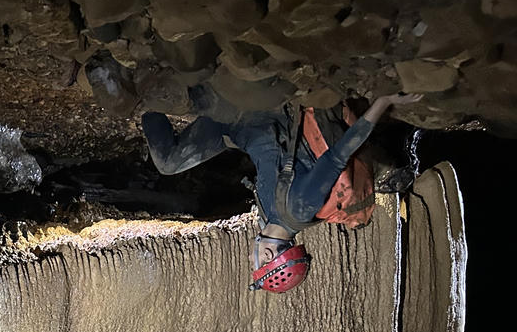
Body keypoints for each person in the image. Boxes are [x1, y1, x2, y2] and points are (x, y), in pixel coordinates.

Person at [141, 92, 424, 292]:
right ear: (266, 256)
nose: (252, 258)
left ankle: (146, 100)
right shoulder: (299, 208)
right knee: (197, 94)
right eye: (256, 262)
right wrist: (384, 101)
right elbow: (339, 155)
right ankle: (149, 88)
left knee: (169, 162)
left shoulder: (272, 221)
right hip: (259, 116)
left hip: (237, 134)